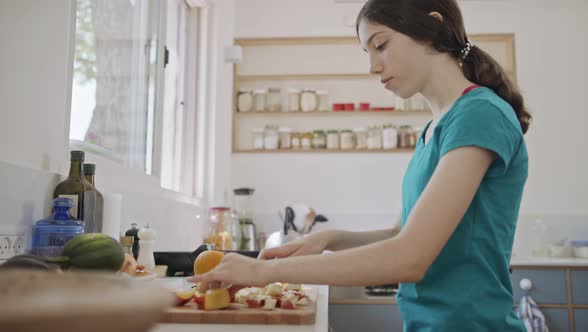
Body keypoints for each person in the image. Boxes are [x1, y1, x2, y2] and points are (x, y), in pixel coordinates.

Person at [190, 0, 531, 330]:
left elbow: (410, 256)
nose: (372, 66)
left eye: (380, 45)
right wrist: (329, 239)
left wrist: (261, 272)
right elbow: (401, 233)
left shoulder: (479, 114)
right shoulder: (433, 129)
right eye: (367, 52)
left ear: (433, 27)